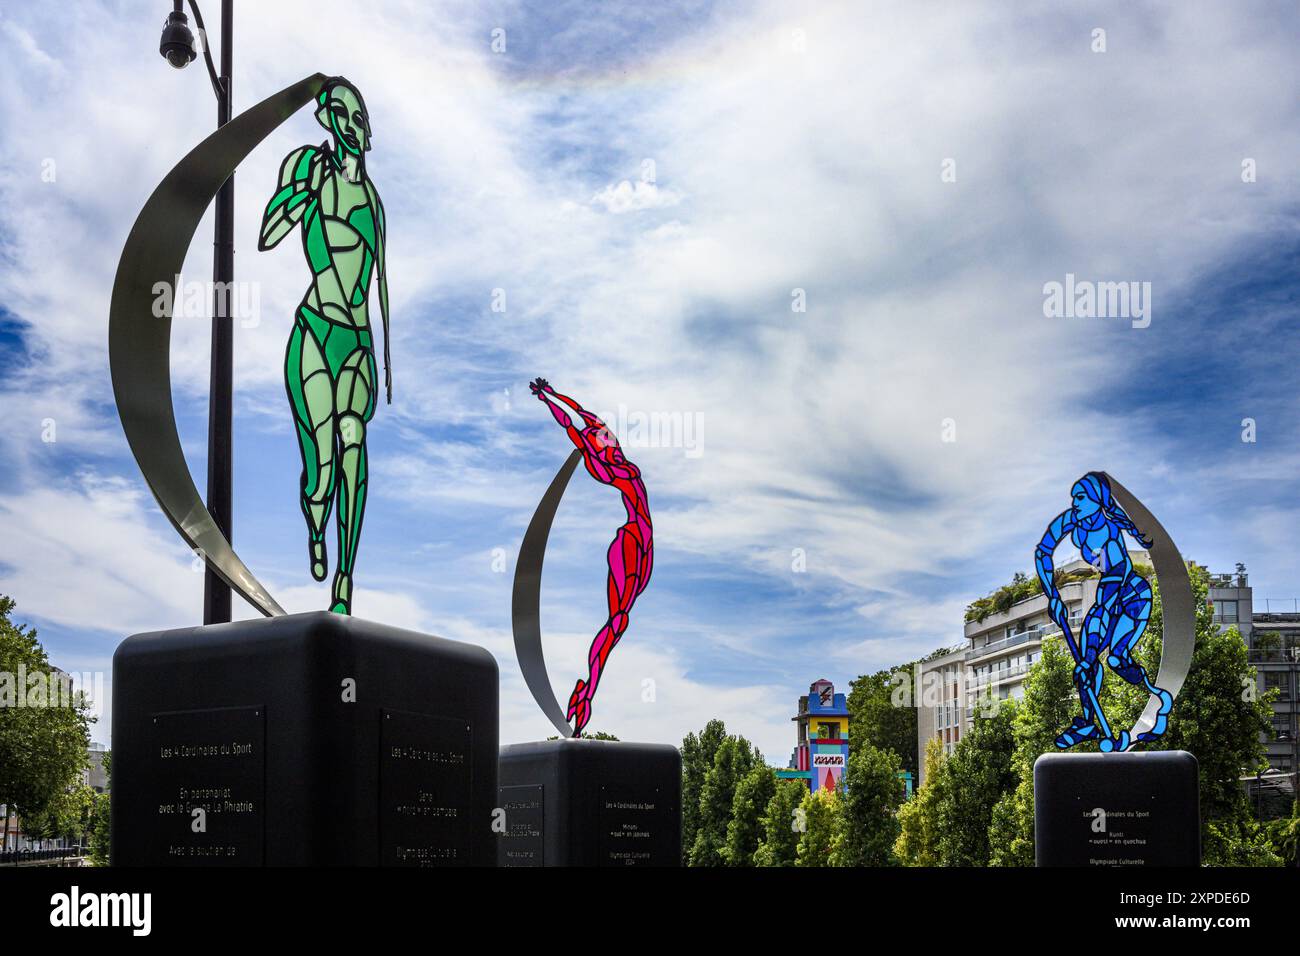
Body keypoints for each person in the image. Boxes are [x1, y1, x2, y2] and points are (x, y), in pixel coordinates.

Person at [259, 77, 389, 615]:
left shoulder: (374, 203)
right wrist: (300, 193)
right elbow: (267, 235)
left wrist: (379, 358)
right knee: (322, 471)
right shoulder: (307, 166)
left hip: (357, 340)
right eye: (341, 115)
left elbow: (375, 287)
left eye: (360, 119)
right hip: (314, 330)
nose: (351, 127)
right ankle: (316, 526)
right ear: (325, 119)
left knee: (353, 440)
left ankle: (344, 579)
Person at [530, 378, 653, 735]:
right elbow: (571, 424)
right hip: (632, 538)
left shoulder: (609, 447)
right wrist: (547, 401)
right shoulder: (602, 462)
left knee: (621, 620)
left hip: (644, 538)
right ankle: (586, 695)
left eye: (609, 437)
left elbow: (583, 414)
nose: (609, 441)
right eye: (602, 440)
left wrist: (553, 393)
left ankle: (588, 692)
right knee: (617, 620)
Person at [1035, 472, 1173, 751]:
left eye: (1081, 497)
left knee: (1115, 659)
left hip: (1130, 597)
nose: (1074, 502)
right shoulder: (1072, 520)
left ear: (1098, 500)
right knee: (1088, 663)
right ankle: (1088, 722)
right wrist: (1053, 597)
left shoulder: (1111, 537)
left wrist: (1087, 658)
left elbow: (1107, 600)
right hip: (1107, 599)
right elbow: (1042, 552)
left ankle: (1157, 699)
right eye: (1073, 496)